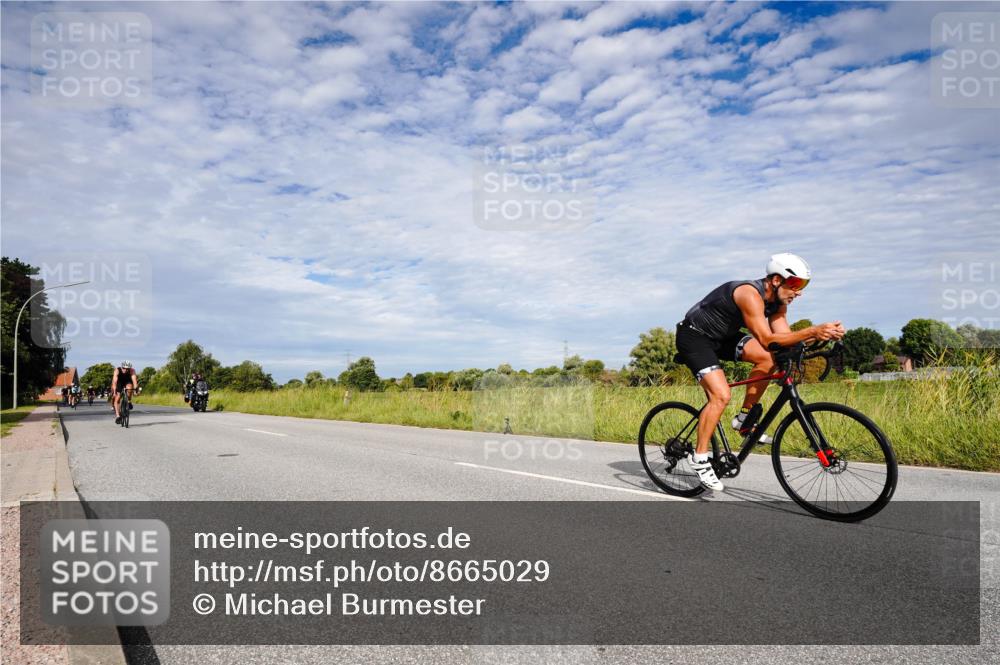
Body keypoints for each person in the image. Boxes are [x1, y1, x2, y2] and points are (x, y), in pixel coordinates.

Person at [675, 253, 845, 491]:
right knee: (721, 395)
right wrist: (812, 331)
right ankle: (700, 458)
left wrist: (821, 338)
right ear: (776, 280)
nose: (799, 292)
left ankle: (744, 419)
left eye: (804, 285)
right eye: (795, 283)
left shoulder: (778, 303)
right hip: (695, 337)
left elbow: (783, 339)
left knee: (767, 358)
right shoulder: (749, 294)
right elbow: (767, 339)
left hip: (723, 338)